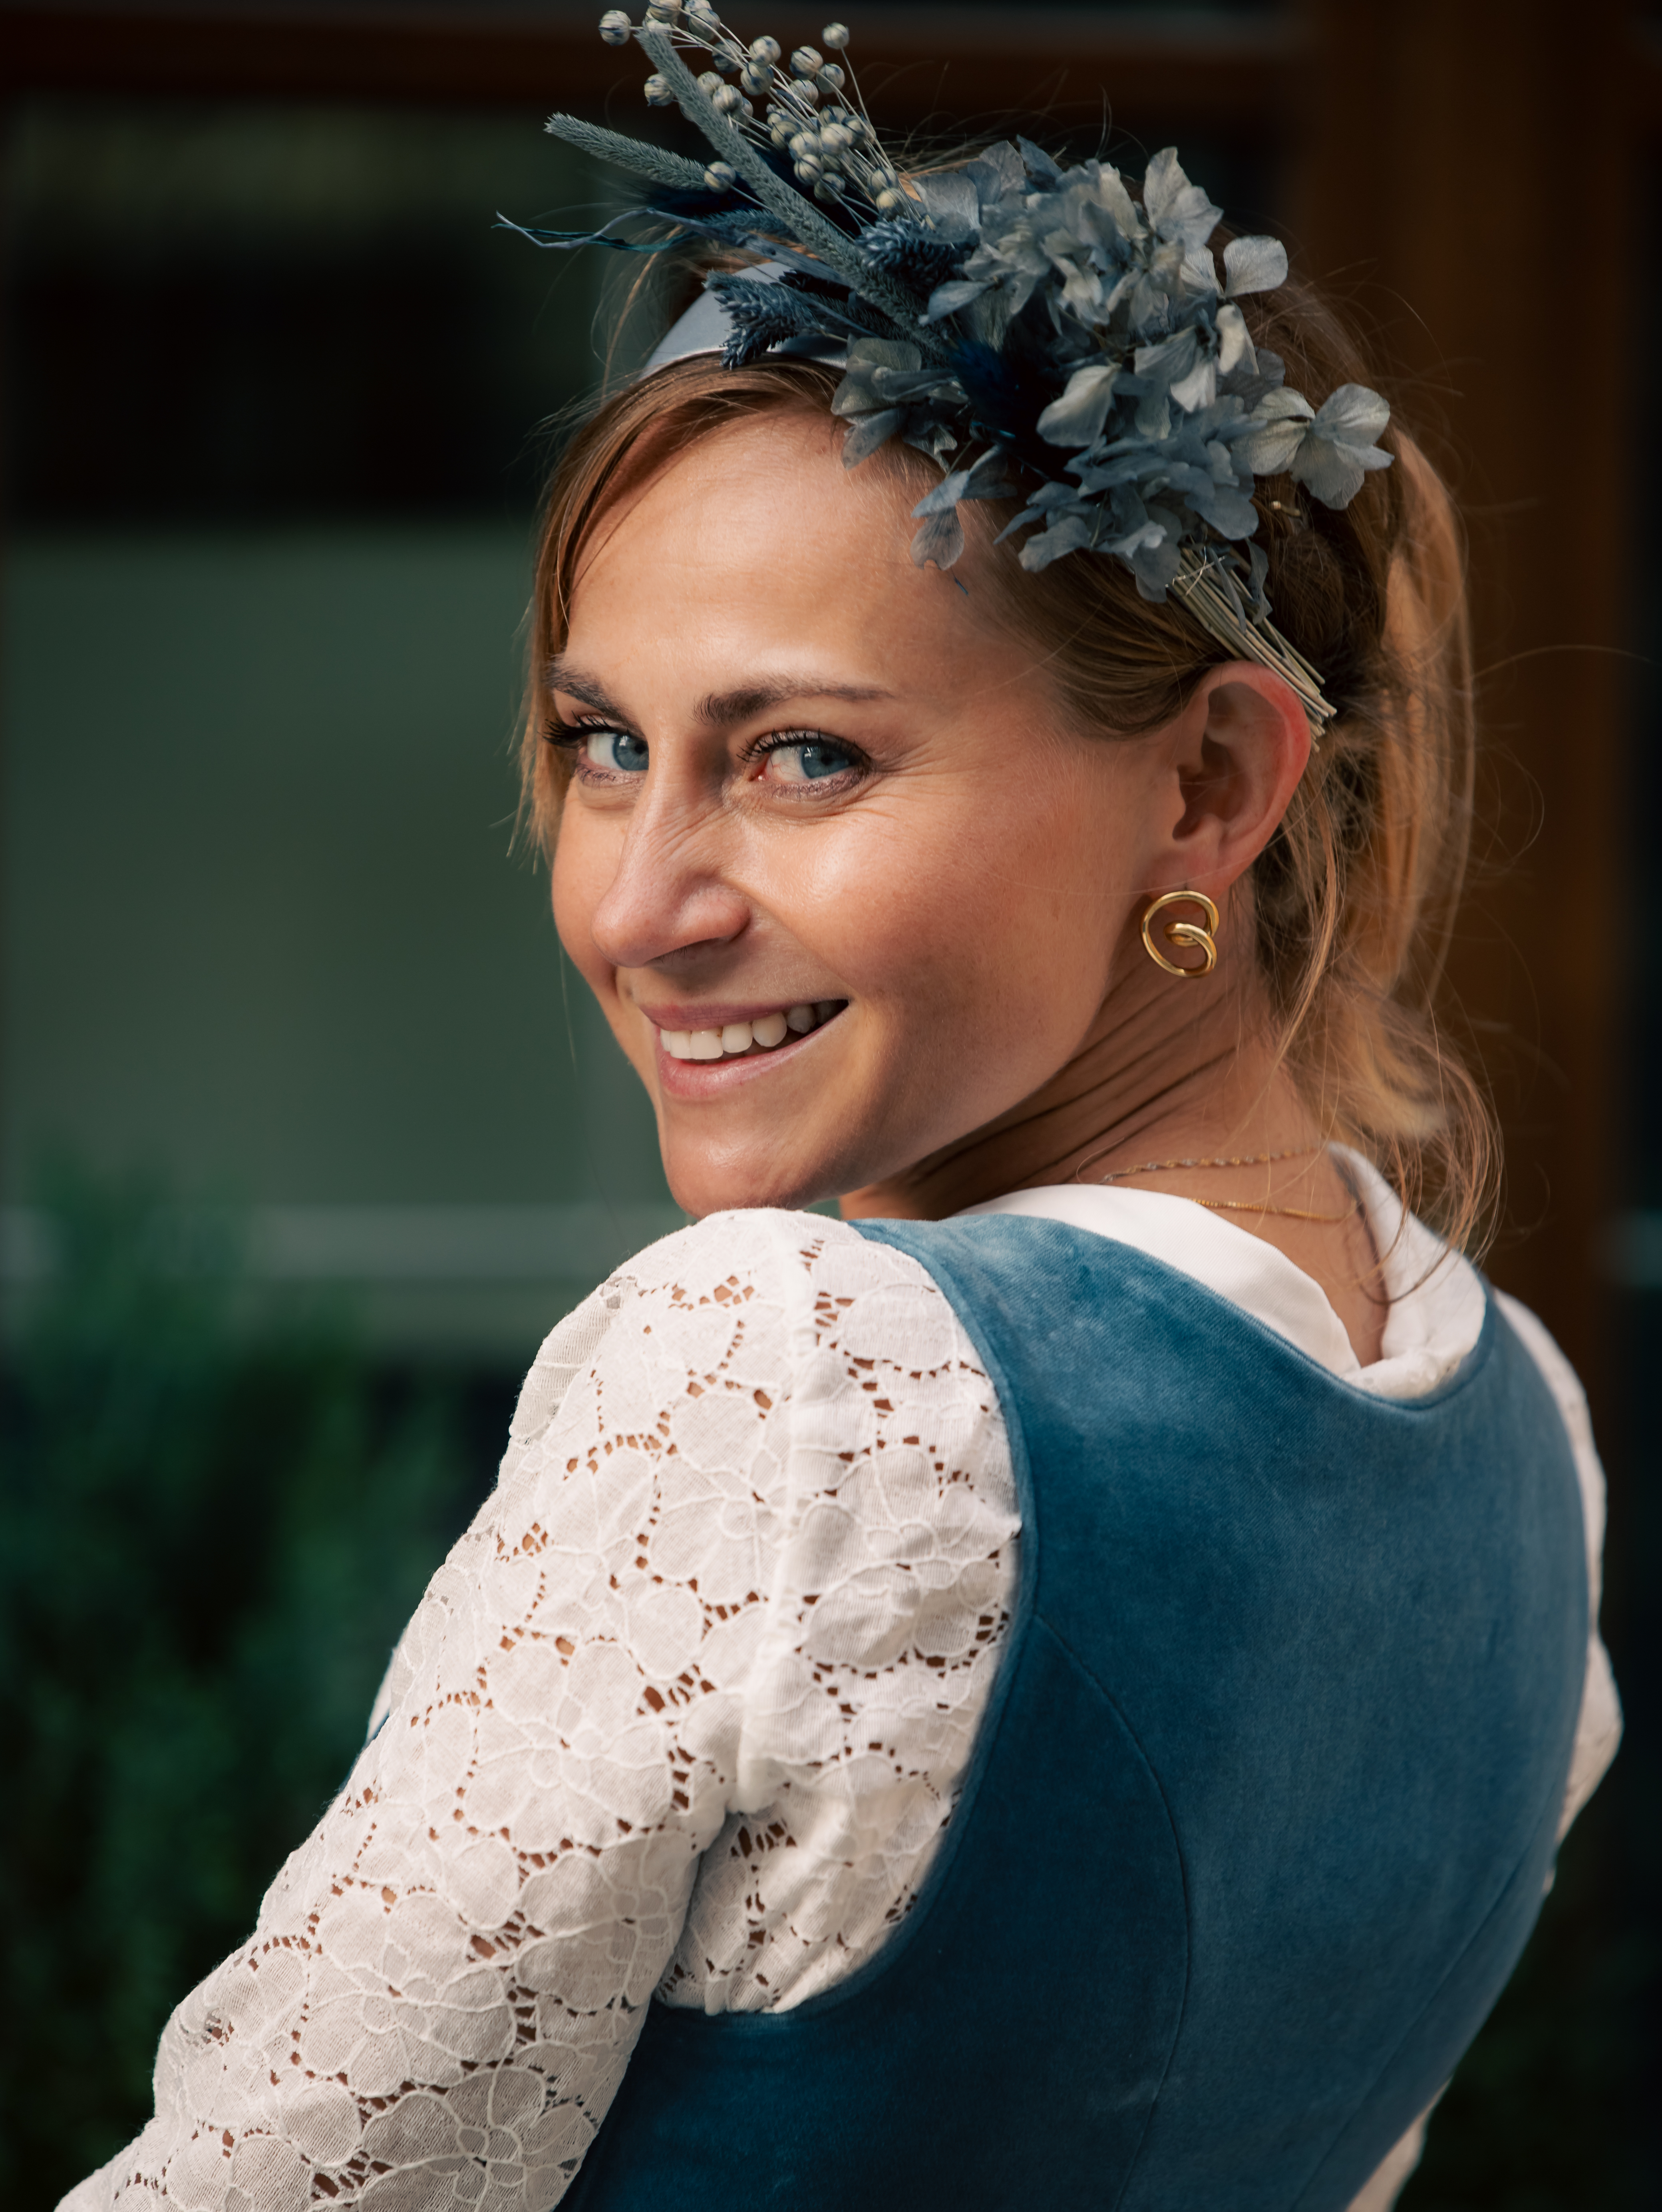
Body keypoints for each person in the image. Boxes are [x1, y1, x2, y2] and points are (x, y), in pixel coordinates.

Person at [62, 12, 1620, 2210]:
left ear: (1210, 782)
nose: (638, 903)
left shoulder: (794, 1371)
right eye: (606, 741)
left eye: (804, 755)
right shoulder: (1519, 1427)